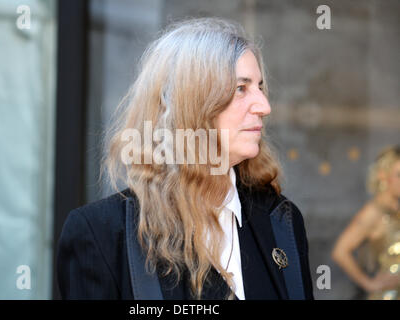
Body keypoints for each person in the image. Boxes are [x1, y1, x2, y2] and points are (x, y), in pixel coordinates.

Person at [57, 17, 314, 300]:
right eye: (241, 88)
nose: (264, 106)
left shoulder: (282, 222)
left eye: (259, 87)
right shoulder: (101, 235)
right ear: (191, 102)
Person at [332, 146, 400, 300]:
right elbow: (340, 251)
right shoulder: (373, 212)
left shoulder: (395, 210)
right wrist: (369, 284)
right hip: (386, 295)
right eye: (399, 175)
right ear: (383, 176)